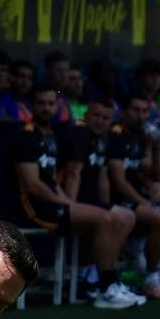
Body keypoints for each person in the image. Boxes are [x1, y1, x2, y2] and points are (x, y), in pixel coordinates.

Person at [12, 89, 139, 309]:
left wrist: (69, 204)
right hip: (34, 209)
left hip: (53, 202)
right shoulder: (26, 136)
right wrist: (66, 204)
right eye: (41, 103)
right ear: (32, 105)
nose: (46, 108)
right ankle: (105, 288)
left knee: (122, 216)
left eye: (51, 103)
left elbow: (51, 180)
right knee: (106, 219)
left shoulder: (50, 136)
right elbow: (33, 185)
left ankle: (100, 282)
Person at [57, 98, 144, 307]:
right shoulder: (79, 134)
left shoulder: (102, 139)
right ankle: (106, 287)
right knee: (107, 219)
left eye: (105, 118)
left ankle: (99, 276)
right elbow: (73, 174)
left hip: (90, 200)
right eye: (95, 116)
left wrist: (105, 204)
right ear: (86, 115)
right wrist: (71, 207)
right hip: (70, 200)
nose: (99, 121)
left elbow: (103, 178)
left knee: (127, 216)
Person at [107, 94, 160, 299]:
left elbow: (156, 175)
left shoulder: (138, 137)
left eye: (145, 111)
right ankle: (151, 279)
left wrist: (156, 147)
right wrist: (144, 202)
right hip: (118, 201)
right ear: (124, 113)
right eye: (135, 110)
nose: (141, 116)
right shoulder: (116, 136)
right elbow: (118, 182)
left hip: (136, 199)